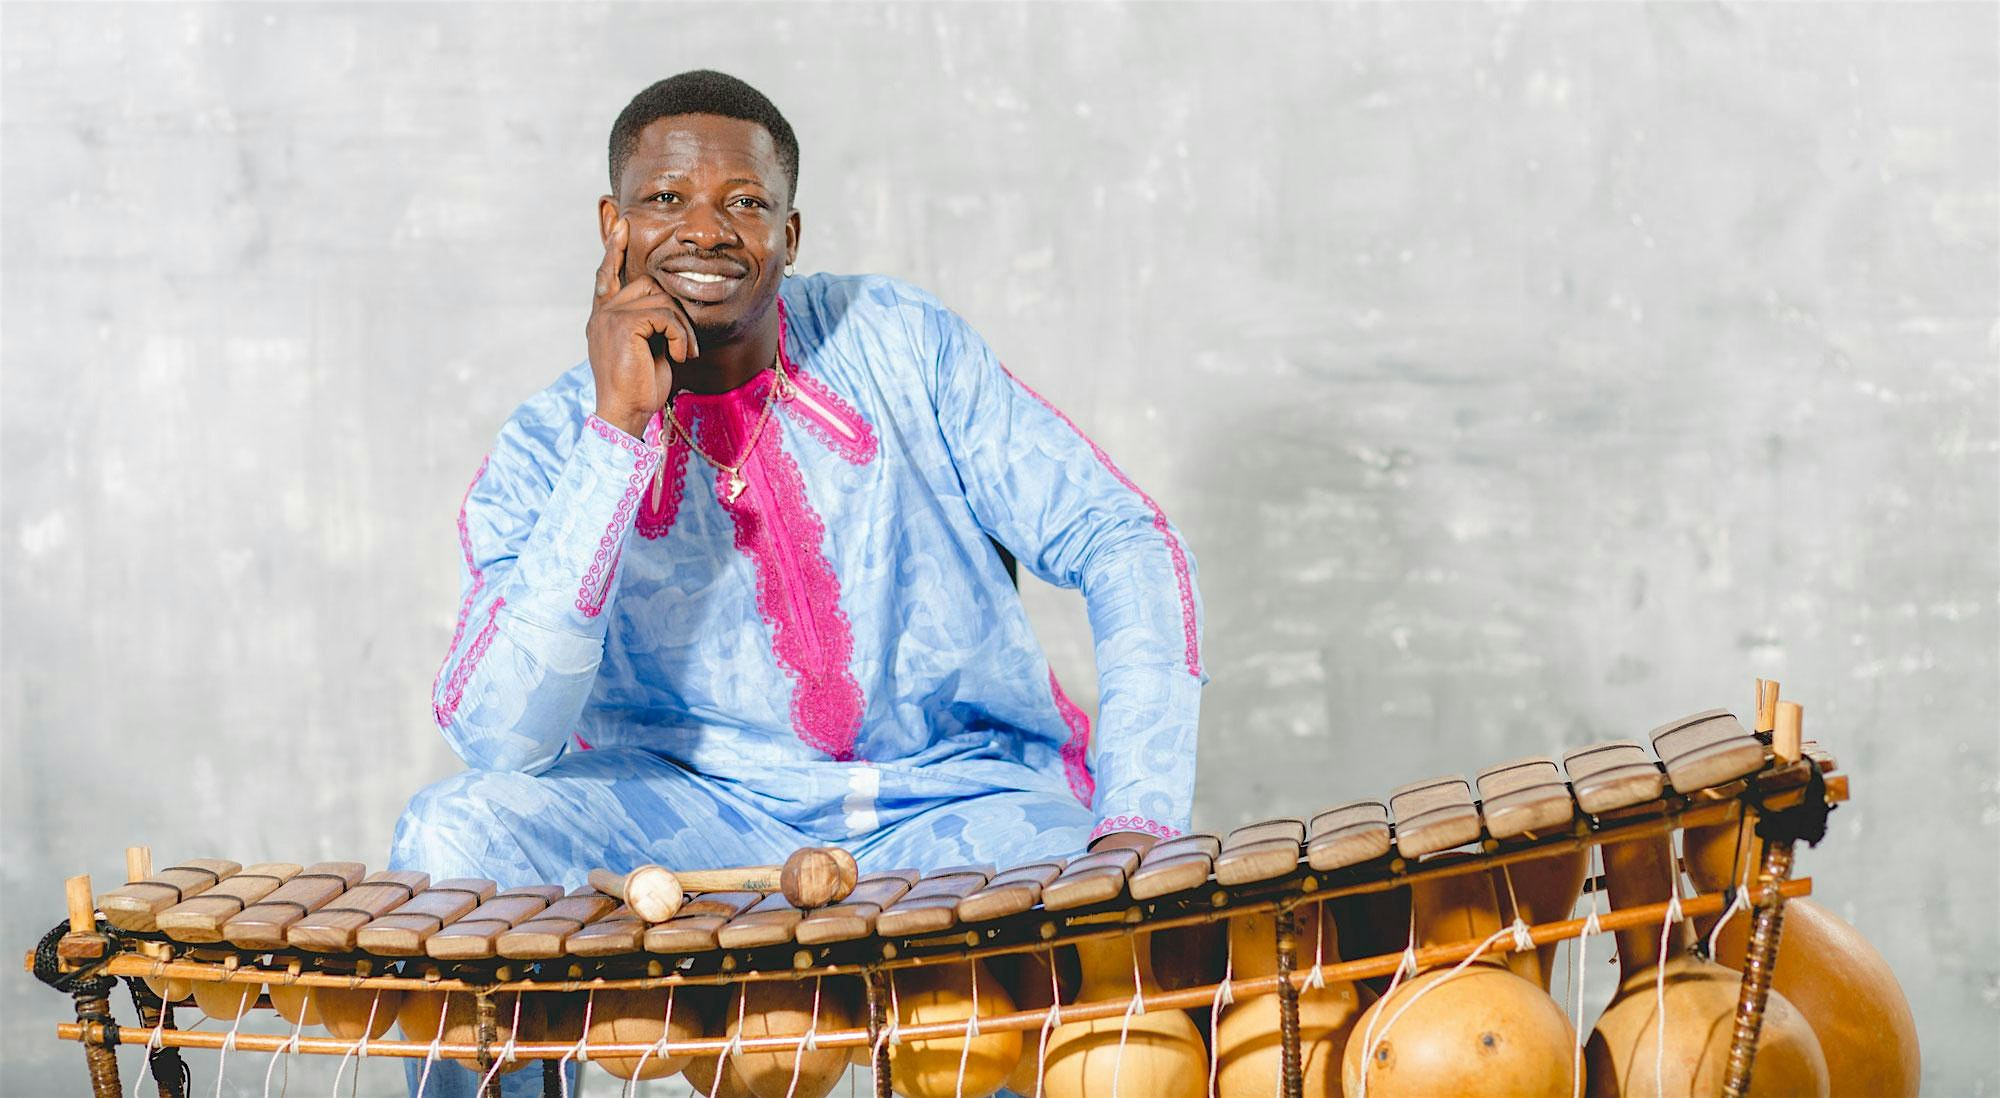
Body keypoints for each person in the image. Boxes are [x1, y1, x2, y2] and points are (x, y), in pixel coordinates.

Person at [388, 70, 1204, 1096]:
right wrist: (617, 432)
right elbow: (503, 738)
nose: (706, 230)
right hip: (688, 812)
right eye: (665, 199)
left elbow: (1121, 535)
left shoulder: (899, 341)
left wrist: (1138, 815)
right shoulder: (548, 442)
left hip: (956, 799)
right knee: (455, 835)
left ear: (790, 232)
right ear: (612, 227)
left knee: (1079, 952)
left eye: (745, 202)